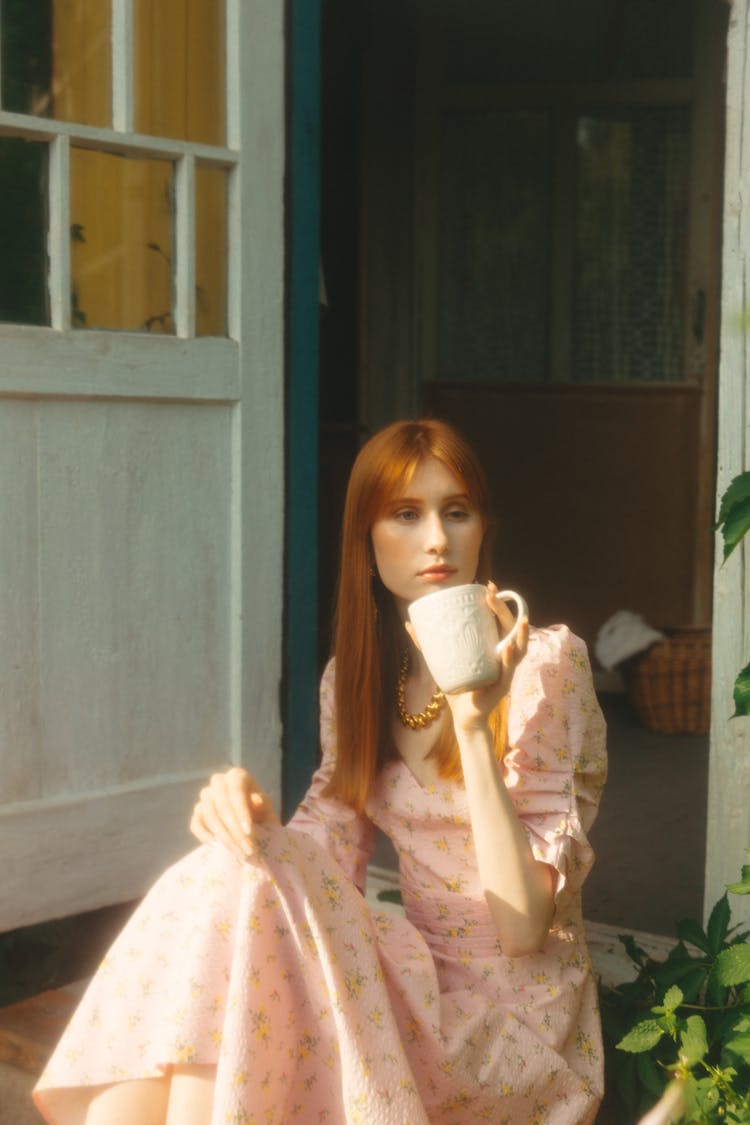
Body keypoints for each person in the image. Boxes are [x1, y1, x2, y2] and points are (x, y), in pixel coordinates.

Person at [33, 418, 607, 1125]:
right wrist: (246, 812)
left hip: (515, 1030)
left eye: (456, 511)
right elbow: (320, 852)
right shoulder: (359, 680)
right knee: (228, 867)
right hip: (417, 980)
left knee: (239, 889)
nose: (436, 538)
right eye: (406, 514)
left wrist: (472, 724)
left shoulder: (546, 666)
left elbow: (524, 929)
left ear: (483, 528)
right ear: (367, 541)